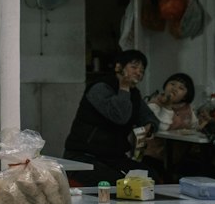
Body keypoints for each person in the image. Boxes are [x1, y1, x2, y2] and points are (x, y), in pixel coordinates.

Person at [64, 49, 161, 187]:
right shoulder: (100, 88)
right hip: (83, 157)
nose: (138, 72)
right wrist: (124, 87)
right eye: (134, 67)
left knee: (150, 177)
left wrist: (149, 126)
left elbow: (149, 117)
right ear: (118, 67)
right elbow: (120, 116)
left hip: (114, 158)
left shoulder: (134, 94)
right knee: (119, 184)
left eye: (142, 70)